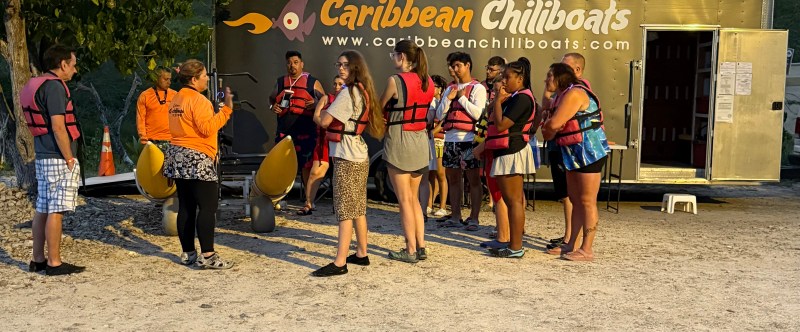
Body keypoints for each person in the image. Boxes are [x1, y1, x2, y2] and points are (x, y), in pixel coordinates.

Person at [311, 50, 384, 276]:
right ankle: (362, 253)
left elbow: (324, 121)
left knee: (344, 210)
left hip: (346, 155)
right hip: (359, 153)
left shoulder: (347, 93)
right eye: (339, 64)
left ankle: (340, 262)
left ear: (355, 68)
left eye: (345, 65)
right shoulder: (363, 90)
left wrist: (319, 107)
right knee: (358, 208)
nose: (341, 68)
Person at [163, 59, 235, 269]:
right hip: (198, 156)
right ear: (194, 79)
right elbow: (206, 128)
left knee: (186, 205)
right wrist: (226, 111)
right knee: (208, 207)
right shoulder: (199, 100)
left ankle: (189, 253)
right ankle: (209, 256)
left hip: (177, 154)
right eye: (204, 76)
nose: (206, 79)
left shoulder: (176, 98)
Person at [22, 44, 85, 275]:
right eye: (73, 64)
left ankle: (37, 259)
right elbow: (59, 127)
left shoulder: (35, 84)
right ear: (63, 64)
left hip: (42, 155)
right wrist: (70, 158)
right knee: (56, 210)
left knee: (43, 208)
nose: (75, 70)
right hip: (58, 158)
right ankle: (54, 263)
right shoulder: (55, 88)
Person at [542, 62, 609, 262]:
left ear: (559, 77)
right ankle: (570, 243)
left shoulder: (574, 94)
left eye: (549, 76)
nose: (545, 80)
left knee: (587, 201)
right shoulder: (561, 96)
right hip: (573, 154)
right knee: (574, 198)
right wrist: (549, 127)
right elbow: (548, 129)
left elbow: (552, 126)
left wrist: (549, 126)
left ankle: (586, 249)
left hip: (589, 153)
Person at [380, 40, 435, 263]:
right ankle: (420, 246)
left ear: (402, 57)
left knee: (404, 200)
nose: (392, 57)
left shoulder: (395, 81)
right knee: (414, 199)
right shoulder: (428, 81)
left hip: (400, 138)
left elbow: (381, 105)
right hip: (420, 140)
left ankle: (410, 249)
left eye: (394, 54)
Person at [481, 58, 538, 258]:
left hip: (512, 150)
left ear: (520, 78)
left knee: (513, 201)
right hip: (507, 150)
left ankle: (515, 247)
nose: (503, 81)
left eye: (508, 77)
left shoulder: (522, 98)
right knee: (510, 200)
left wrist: (497, 99)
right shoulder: (516, 96)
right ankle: (513, 245)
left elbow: (502, 125)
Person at [542, 53, 590, 251]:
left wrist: (549, 125)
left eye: (565, 67)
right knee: (565, 194)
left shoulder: (577, 91)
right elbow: (546, 107)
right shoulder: (561, 92)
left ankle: (573, 240)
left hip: (572, 149)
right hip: (559, 146)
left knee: (576, 197)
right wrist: (547, 88)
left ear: (577, 71)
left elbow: (554, 122)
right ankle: (569, 236)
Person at [436, 52, 487, 231]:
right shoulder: (450, 88)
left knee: (473, 179)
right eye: (452, 66)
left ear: (467, 65)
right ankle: (455, 215)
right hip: (450, 139)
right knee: (453, 179)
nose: (454, 69)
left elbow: (478, 114)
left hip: (469, 139)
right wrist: (448, 100)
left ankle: (474, 218)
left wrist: (462, 98)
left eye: (457, 65)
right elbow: (438, 115)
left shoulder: (478, 88)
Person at [269, 51, 326, 200]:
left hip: (306, 131)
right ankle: (278, 197)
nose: (292, 65)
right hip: (284, 131)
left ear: (302, 64)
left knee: (306, 166)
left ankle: (308, 200)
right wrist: (273, 106)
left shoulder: (313, 82)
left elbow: (326, 102)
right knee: (281, 164)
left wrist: (315, 104)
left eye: (295, 62)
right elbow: (272, 100)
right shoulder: (281, 81)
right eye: (289, 62)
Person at [473, 74, 512, 250]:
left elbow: (498, 132)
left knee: (500, 196)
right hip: (491, 153)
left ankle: (503, 237)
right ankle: (503, 232)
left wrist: (480, 149)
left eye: (499, 90)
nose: (495, 94)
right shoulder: (495, 105)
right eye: (493, 91)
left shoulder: (506, 105)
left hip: (499, 153)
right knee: (498, 195)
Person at [297, 75, 345, 215]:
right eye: (335, 84)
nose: (336, 87)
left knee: (340, 173)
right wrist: (325, 121)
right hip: (324, 138)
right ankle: (309, 203)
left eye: (340, 84)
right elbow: (315, 117)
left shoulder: (348, 100)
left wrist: (326, 117)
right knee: (315, 172)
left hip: (341, 140)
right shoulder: (326, 98)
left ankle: (339, 205)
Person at [136, 66, 177, 151]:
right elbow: (140, 119)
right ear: (157, 78)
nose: (169, 82)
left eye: (170, 79)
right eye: (166, 79)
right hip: (151, 141)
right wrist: (144, 140)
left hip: (172, 141)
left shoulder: (175, 95)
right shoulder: (145, 95)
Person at [426, 75, 448, 218]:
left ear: (440, 89)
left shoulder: (442, 102)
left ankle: (443, 206)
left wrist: (433, 132)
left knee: (441, 174)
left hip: (440, 140)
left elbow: (443, 122)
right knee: (430, 174)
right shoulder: (429, 101)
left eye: (434, 85)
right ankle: (429, 204)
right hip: (430, 139)